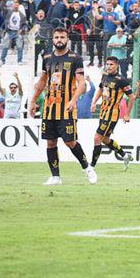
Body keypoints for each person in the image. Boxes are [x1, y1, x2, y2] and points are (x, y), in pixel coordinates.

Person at [28, 27, 97, 186]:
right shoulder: (46, 57)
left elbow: (82, 84)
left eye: (62, 37)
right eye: (57, 37)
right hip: (49, 109)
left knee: (70, 142)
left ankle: (87, 168)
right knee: (50, 143)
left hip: (67, 109)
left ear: (67, 39)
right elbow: (42, 82)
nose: (59, 40)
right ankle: (55, 177)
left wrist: (73, 100)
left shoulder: (75, 58)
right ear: (53, 39)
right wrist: (33, 101)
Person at [90, 57, 136, 170]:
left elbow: (132, 97)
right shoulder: (105, 76)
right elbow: (101, 89)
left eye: (111, 64)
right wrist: (94, 102)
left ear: (117, 66)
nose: (109, 66)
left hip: (112, 114)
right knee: (105, 139)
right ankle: (125, 156)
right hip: (103, 112)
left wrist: (127, 114)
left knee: (97, 138)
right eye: (107, 64)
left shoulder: (122, 80)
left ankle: (91, 166)